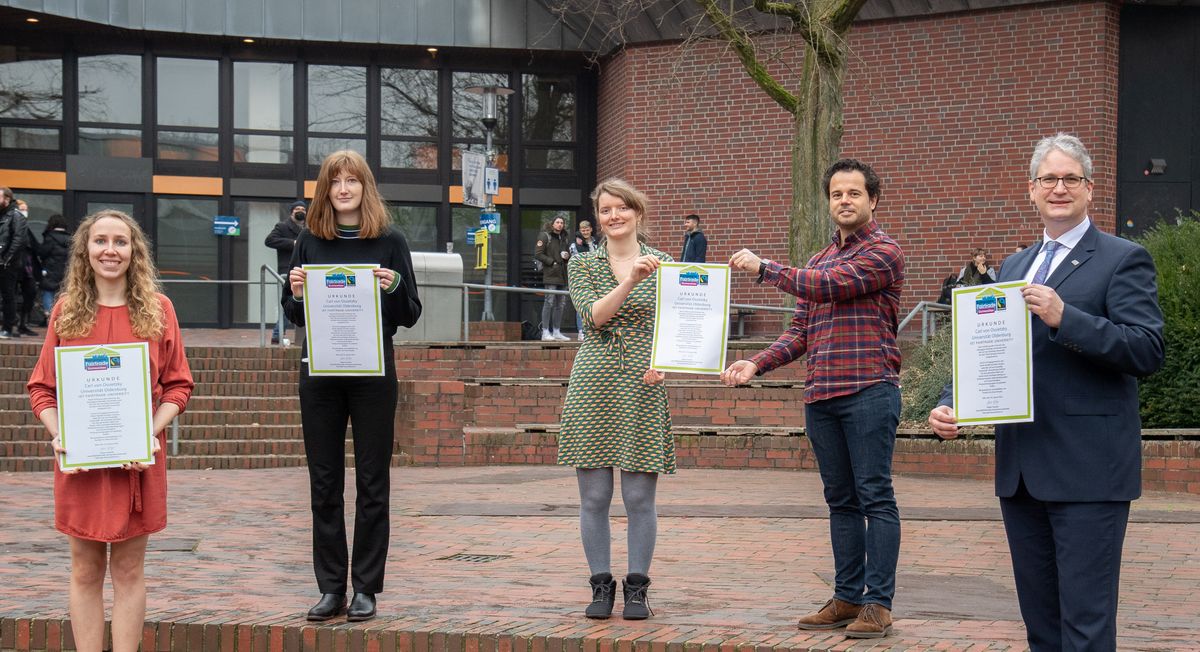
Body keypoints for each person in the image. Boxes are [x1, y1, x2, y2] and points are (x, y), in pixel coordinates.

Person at [929, 134, 1165, 651]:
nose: (1059, 188)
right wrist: (952, 401)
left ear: (1089, 189)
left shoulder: (1123, 258)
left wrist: (1066, 318)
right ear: (1031, 190)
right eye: (1048, 179)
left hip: (1087, 473)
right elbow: (985, 347)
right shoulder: (1014, 267)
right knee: (1042, 628)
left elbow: (1146, 349)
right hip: (1021, 472)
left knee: (1085, 627)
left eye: (1070, 179)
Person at [721, 158, 904, 639]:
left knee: (875, 497)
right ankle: (847, 598)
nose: (844, 200)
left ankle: (877, 604)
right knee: (840, 500)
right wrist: (756, 362)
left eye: (854, 193)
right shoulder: (819, 259)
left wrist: (767, 270)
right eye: (837, 194)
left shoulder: (883, 253)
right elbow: (800, 330)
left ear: (873, 200)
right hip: (821, 394)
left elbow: (832, 287)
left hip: (869, 390)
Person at [26, 209, 194, 652]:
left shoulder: (159, 311)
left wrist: (149, 434)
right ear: (85, 249)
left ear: (134, 250)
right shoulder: (66, 312)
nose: (110, 250)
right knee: (84, 570)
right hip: (82, 464)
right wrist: (59, 433)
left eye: (120, 241)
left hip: (137, 461)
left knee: (129, 570)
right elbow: (42, 389)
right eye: (100, 241)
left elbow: (178, 385)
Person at [281, 150, 422, 623]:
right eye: (335, 181)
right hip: (319, 376)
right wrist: (296, 293)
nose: (344, 188)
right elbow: (294, 313)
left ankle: (366, 588)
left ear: (366, 188)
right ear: (325, 189)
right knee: (323, 484)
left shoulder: (389, 239)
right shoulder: (309, 240)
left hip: (373, 376)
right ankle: (329, 589)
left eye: (352, 181)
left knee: (372, 483)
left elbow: (409, 314)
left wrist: (394, 284)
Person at [559, 178, 672, 621]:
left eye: (621, 208)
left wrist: (669, 362)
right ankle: (601, 584)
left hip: (644, 381)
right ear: (598, 218)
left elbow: (682, 323)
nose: (614, 216)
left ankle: (638, 588)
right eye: (605, 210)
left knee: (640, 497)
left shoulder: (664, 263)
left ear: (637, 213)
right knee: (594, 496)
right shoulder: (582, 264)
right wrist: (629, 280)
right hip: (595, 380)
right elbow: (593, 317)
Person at [265, 199, 307, 344]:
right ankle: (277, 334)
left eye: (303, 209)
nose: (300, 211)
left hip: (305, 271)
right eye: (297, 209)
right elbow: (270, 240)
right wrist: (293, 243)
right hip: (287, 270)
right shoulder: (282, 226)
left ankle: (284, 335)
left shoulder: (307, 228)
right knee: (289, 300)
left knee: (301, 302)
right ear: (291, 212)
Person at [534, 212, 572, 341]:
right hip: (550, 273)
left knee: (560, 304)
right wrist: (552, 262)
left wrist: (567, 257)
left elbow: (566, 255)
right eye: (558, 222)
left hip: (562, 274)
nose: (560, 225)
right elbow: (538, 254)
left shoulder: (564, 238)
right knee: (549, 302)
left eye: (562, 223)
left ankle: (556, 331)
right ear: (552, 224)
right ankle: (545, 332)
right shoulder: (545, 236)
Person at [0, 187, 29, 338]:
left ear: (7, 199)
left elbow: (19, 240)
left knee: (8, 295)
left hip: (8, 263)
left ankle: (7, 328)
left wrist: (7, 259)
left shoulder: (16, 216)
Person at [569, 218, 600, 340]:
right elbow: (576, 260)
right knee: (581, 303)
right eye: (583, 230)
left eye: (587, 229)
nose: (585, 232)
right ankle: (581, 330)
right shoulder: (575, 245)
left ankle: (593, 329)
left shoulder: (597, 243)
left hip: (596, 276)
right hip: (582, 277)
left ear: (591, 230)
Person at [39, 214, 70, 317]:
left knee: (48, 292)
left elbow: (43, 253)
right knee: (63, 294)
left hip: (50, 270)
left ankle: (49, 316)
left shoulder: (49, 237)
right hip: (66, 271)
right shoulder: (70, 239)